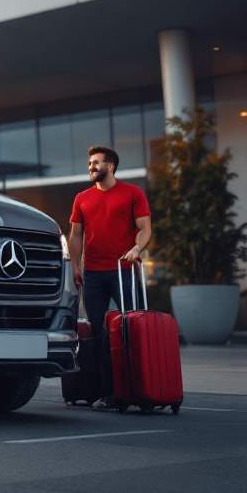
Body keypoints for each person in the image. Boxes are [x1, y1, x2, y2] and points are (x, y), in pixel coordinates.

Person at [68, 144, 152, 410]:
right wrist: (75, 267)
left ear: (111, 166)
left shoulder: (132, 193)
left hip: (123, 271)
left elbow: (145, 228)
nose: (91, 167)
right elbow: (76, 234)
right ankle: (105, 392)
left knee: (130, 330)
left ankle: (137, 390)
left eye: (96, 162)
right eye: (90, 163)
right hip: (92, 274)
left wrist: (137, 248)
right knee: (96, 332)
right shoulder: (82, 197)